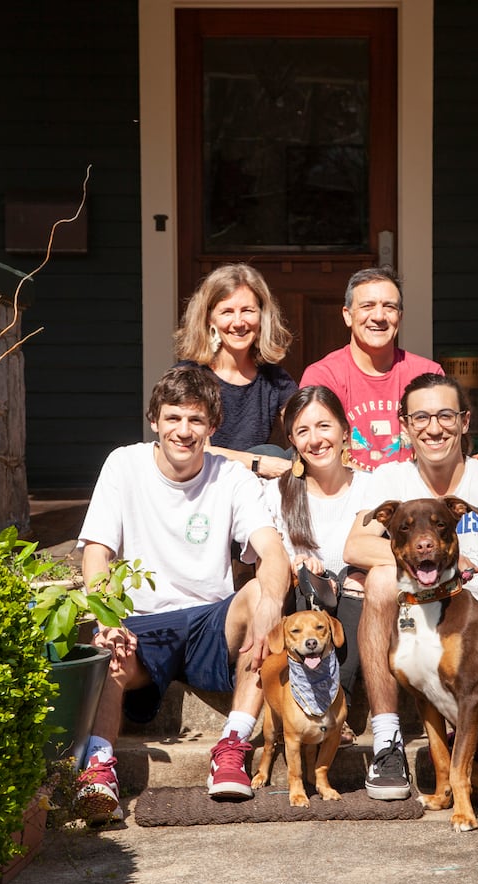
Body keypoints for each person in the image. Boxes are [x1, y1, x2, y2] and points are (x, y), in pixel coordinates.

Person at [75, 365, 291, 823]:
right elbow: (97, 553)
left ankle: (233, 743)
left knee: (262, 593)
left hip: (209, 621)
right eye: (173, 418)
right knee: (106, 647)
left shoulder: (231, 477)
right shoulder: (124, 464)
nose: (184, 431)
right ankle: (98, 770)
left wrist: (271, 603)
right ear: (155, 419)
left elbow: (271, 550)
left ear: (213, 428)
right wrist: (105, 615)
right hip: (142, 622)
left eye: (196, 421)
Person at [343, 372, 478, 801]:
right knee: (381, 577)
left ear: (465, 422)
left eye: (445, 415)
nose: (434, 427)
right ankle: (388, 739)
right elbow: (355, 544)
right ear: (405, 426)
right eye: (421, 417)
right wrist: (442, 559)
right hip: (421, 620)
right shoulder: (390, 480)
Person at [263, 386, 370, 740]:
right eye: (303, 431)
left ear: (344, 430)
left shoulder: (372, 487)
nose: (316, 439)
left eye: (324, 426)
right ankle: (303, 707)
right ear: (292, 439)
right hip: (305, 607)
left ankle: (339, 709)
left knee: (358, 579)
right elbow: (267, 555)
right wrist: (294, 563)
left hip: (357, 609)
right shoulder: (277, 492)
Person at [299, 266, 444, 471]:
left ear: (400, 317)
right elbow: (315, 454)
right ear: (347, 315)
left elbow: (447, 447)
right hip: (348, 493)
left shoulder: (428, 375)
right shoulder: (323, 377)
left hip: (414, 494)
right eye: (367, 306)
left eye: (389, 307)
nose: (379, 316)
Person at [174, 263, 298, 479]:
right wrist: (259, 463)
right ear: (209, 319)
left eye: (248, 311)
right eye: (227, 312)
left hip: (254, 493)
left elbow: (307, 429)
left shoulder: (275, 380)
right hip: (205, 487)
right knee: (268, 453)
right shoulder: (189, 376)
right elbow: (197, 450)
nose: (239, 322)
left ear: (261, 317)